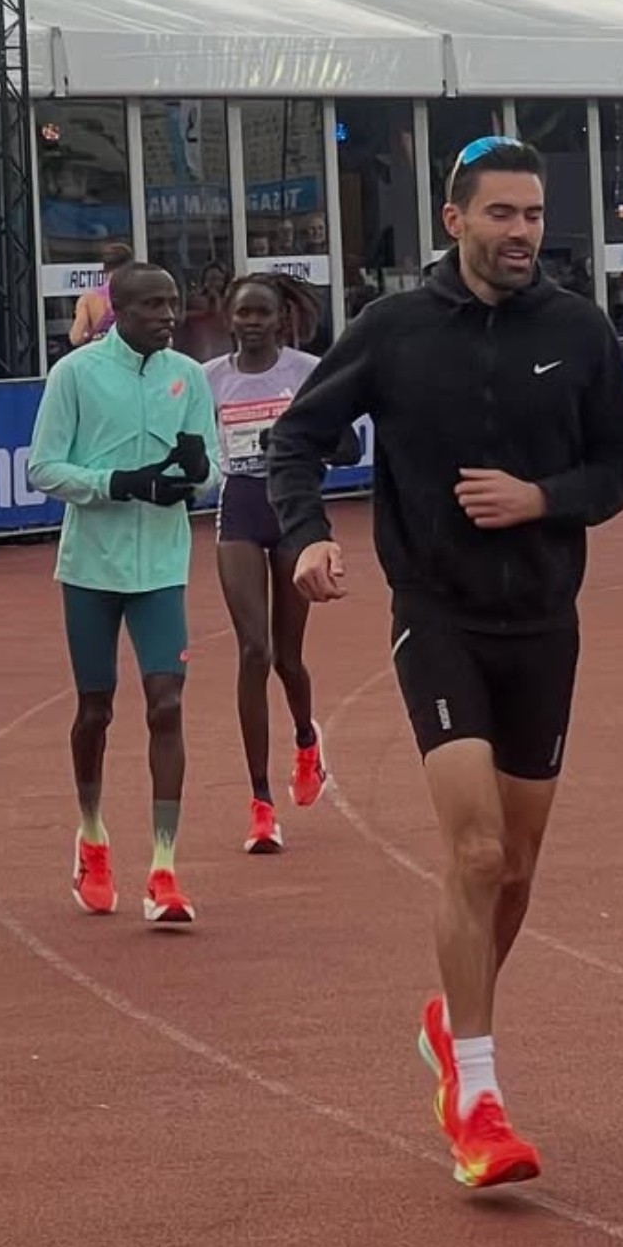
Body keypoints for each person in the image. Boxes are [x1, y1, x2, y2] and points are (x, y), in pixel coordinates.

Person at [265, 135, 623, 1188]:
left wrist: (542, 499)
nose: (523, 232)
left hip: (545, 622)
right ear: (454, 219)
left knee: (515, 868)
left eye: (533, 216)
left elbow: (621, 464)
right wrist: (305, 538)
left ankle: (451, 1021)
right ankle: (476, 1095)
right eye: (503, 215)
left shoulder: (577, 330)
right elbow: (294, 442)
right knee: (476, 853)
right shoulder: (392, 331)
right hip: (436, 613)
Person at [27, 262, 222, 926]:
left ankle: (164, 868)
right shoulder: (75, 374)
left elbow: (212, 466)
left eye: (174, 303)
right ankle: (92, 836)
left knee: (166, 705)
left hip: (163, 566)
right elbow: (43, 468)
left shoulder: (189, 376)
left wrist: (195, 478)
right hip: (91, 567)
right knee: (96, 709)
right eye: (154, 306)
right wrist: (120, 484)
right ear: (120, 310)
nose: (169, 316)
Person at [203, 273, 352, 853]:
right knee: (253, 650)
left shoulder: (307, 372)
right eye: (244, 313)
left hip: (293, 512)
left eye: (264, 313)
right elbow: (189, 442)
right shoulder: (208, 379)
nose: (254, 322)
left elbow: (347, 447)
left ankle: (305, 739)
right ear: (228, 317)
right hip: (238, 510)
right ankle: (261, 803)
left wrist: (290, 439)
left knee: (288, 657)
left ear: (282, 319)